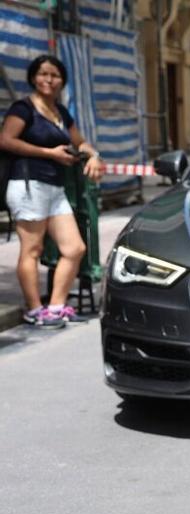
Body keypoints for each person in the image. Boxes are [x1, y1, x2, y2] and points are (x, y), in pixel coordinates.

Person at [0, 55, 102, 328]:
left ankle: (56, 306)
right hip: (28, 184)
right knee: (31, 249)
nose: (49, 79)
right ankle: (34, 309)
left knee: (75, 248)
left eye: (54, 75)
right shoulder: (23, 108)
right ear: (34, 77)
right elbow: (6, 140)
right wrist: (49, 153)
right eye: (43, 74)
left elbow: (81, 143)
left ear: (62, 81)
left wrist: (93, 156)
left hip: (55, 188)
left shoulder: (60, 112)